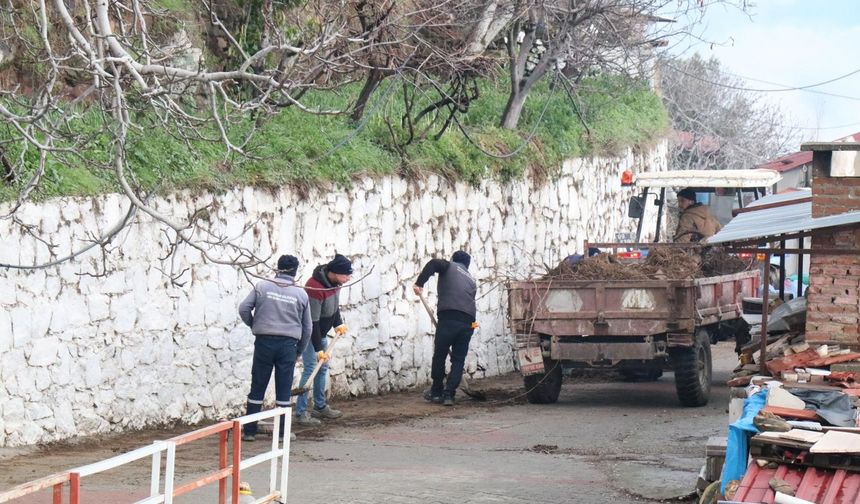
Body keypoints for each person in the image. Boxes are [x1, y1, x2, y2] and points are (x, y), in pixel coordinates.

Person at [238, 254, 311, 442]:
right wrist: (299, 351)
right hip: (288, 345)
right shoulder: (301, 294)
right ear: (295, 272)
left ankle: (250, 431)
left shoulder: (262, 286)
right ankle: (282, 433)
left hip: (264, 341)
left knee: (258, 386)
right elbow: (307, 328)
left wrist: (255, 324)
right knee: (284, 390)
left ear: (277, 268)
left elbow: (244, 308)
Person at [412, 250, 477, 406]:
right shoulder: (472, 281)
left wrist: (419, 283)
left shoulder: (449, 266)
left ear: (453, 259)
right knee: (458, 359)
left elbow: (433, 263)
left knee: (440, 355)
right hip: (469, 323)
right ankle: (449, 395)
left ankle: (436, 392)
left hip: (448, 318)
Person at [294, 253, 352, 426]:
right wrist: (318, 348)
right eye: (345, 275)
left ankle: (320, 406)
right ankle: (301, 411)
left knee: (323, 367)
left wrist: (338, 323)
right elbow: (312, 322)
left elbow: (334, 307)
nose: (348, 279)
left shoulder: (335, 284)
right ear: (334, 272)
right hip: (309, 333)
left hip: (322, 333)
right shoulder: (315, 288)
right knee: (311, 368)